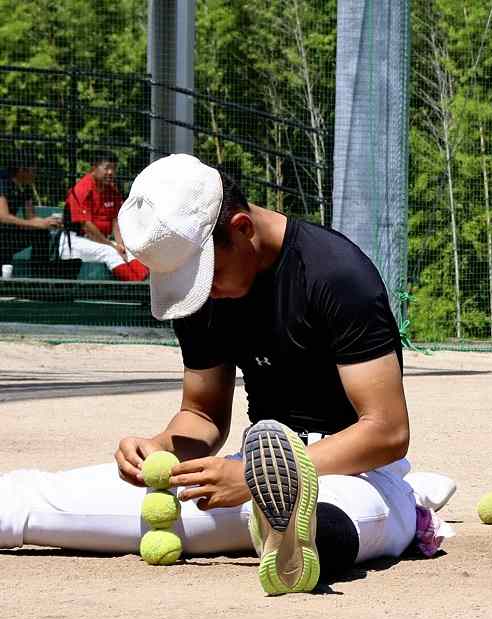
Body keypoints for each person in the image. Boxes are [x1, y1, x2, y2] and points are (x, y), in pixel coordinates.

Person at [0, 154, 456, 595]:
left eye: (203, 276)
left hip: (357, 473)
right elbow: (201, 416)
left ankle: (330, 525)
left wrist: (263, 478)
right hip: (248, 469)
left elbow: (387, 431)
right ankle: (274, 526)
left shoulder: (335, 273)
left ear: (242, 229)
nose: (199, 293)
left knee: (329, 523)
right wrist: (156, 449)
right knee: (39, 504)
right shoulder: (201, 292)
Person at [61, 151, 149, 281]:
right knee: (109, 252)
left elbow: (116, 222)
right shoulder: (81, 188)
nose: (110, 172)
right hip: (74, 241)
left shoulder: (111, 191)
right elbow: (87, 227)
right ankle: (135, 285)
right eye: (107, 167)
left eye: (113, 168)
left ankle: (145, 283)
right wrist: (112, 245)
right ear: (94, 167)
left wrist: (121, 244)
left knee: (131, 249)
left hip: (99, 241)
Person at [0, 152, 62, 271]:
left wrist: (48, 222)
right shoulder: (2, 181)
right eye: (34, 170)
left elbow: (31, 217)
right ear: (22, 169)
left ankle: (39, 279)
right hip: (3, 234)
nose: (36, 174)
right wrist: (36, 224)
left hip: (8, 233)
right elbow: (3, 216)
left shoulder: (26, 187)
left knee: (41, 232)